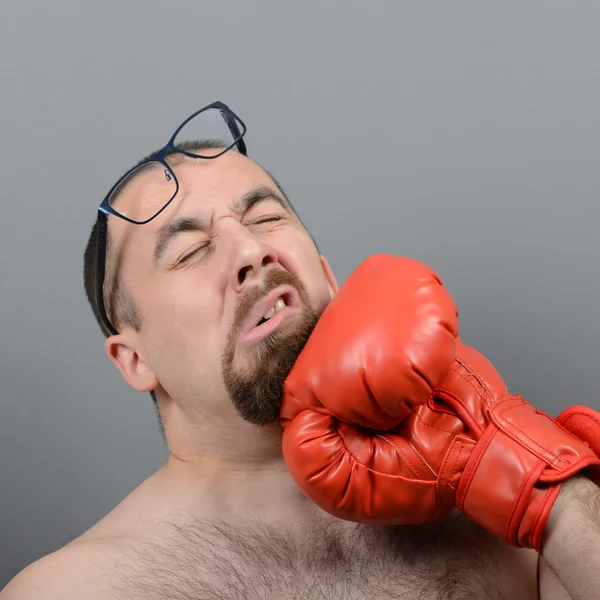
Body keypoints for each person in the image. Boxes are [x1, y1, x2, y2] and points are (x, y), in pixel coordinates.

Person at [2, 101, 599, 600]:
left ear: (326, 276)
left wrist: (549, 489)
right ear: (134, 360)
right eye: (189, 251)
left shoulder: (494, 518)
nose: (249, 250)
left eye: (264, 216)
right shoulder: (75, 589)